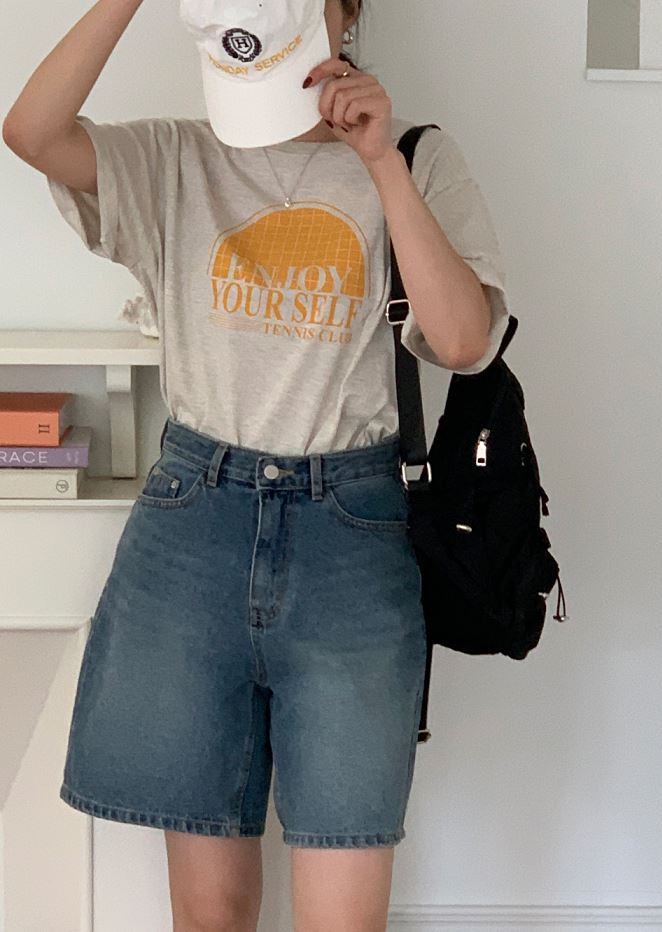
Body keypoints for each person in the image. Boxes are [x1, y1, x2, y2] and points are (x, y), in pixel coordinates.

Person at [2, 0, 511, 928]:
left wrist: (381, 163)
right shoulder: (177, 158)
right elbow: (31, 132)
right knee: (211, 916)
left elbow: (464, 341)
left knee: (343, 916)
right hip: (193, 524)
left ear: (346, 14)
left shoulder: (418, 155)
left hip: (350, 535)